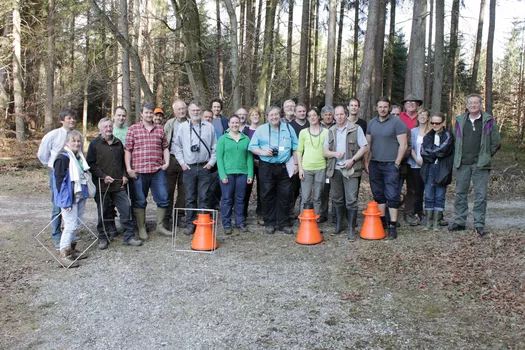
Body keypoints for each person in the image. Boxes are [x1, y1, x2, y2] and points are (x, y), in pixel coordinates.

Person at [449, 94, 501, 236]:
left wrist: (485, 156)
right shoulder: (460, 120)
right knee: (460, 193)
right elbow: (456, 140)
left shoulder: (488, 120)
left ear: (480, 104)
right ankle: (459, 222)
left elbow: (496, 142)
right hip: (462, 163)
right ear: (467, 105)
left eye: (476, 103)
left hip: (480, 165)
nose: (473, 105)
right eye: (471, 103)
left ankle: (479, 224)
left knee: (480, 195)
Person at [87, 118, 143, 249]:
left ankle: (129, 237)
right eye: (105, 127)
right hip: (102, 186)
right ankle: (103, 237)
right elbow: (90, 164)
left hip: (118, 185)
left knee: (126, 209)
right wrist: (103, 176)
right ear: (100, 129)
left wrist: (124, 175)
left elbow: (124, 162)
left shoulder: (118, 143)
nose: (108, 129)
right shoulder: (94, 144)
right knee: (103, 212)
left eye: (110, 126)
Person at [248, 106, 299, 234]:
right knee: (267, 194)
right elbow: (252, 146)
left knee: (285, 194)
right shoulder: (261, 129)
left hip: (284, 165)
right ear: (267, 117)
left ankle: (284, 223)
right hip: (266, 166)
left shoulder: (288, 128)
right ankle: (269, 222)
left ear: (280, 115)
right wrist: (263, 152)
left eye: (276, 114)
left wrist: (296, 164)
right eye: (271, 115)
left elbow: (295, 147)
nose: (274, 117)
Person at [125, 102, 171, 240]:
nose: (149, 115)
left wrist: (167, 162)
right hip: (139, 171)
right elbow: (128, 150)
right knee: (139, 200)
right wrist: (128, 168)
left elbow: (165, 148)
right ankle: (141, 228)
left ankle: (160, 226)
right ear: (142, 114)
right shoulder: (133, 129)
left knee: (163, 198)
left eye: (151, 112)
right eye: (147, 112)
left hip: (157, 171)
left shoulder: (160, 129)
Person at [364, 97, 408, 240]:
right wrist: (366, 162)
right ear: (376, 108)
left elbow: (403, 145)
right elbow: (368, 145)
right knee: (378, 195)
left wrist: (397, 163)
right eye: (380, 106)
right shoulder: (371, 123)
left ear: (389, 108)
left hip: (391, 165)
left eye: (385, 107)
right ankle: (382, 222)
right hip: (375, 164)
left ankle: (392, 225)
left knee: (392, 196)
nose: (382, 109)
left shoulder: (397, 123)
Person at [324, 106, 368, 241]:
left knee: (351, 200)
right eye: (336, 115)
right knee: (337, 198)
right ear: (334, 116)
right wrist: (335, 154)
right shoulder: (331, 131)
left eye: (341, 114)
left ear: (346, 115)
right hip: (335, 169)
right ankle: (339, 225)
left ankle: (351, 229)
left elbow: (365, 147)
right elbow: (325, 151)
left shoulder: (356, 129)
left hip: (351, 169)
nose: (339, 117)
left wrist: (353, 160)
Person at [174, 100, 217, 235]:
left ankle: (203, 223)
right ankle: (190, 224)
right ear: (189, 111)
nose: (195, 112)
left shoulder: (209, 127)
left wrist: (211, 163)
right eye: (193, 110)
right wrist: (182, 163)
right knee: (190, 197)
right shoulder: (182, 127)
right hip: (189, 168)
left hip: (204, 167)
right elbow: (177, 147)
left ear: (201, 111)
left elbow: (215, 147)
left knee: (204, 197)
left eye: (198, 110)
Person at [37, 108, 79, 249]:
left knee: (72, 204)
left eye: (73, 118)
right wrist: (52, 166)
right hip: (58, 174)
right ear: (62, 120)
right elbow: (42, 154)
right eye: (69, 118)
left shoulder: (77, 135)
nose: (72, 120)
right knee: (58, 205)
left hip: (73, 175)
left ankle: (70, 235)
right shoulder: (53, 135)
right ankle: (56, 235)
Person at [52, 130, 89, 267]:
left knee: (76, 224)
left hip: (79, 195)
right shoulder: (63, 158)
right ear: (67, 142)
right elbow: (59, 183)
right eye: (73, 141)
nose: (76, 143)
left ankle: (72, 250)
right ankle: (63, 255)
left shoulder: (78, 157)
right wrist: (65, 202)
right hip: (69, 198)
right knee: (70, 225)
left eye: (78, 141)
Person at [216, 115, 254, 234]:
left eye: (236, 123)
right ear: (228, 124)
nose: (234, 125)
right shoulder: (223, 139)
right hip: (228, 174)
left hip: (242, 174)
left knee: (240, 199)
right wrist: (222, 175)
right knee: (227, 199)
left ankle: (240, 222)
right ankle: (226, 224)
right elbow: (219, 158)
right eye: (232, 123)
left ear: (240, 124)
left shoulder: (246, 139)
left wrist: (250, 174)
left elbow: (249, 158)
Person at [420, 112, 455, 231]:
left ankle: (436, 222)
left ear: (443, 123)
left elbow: (444, 150)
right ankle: (428, 222)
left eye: (437, 123)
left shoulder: (448, 135)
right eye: (432, 123)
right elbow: (424, 152)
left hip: (443, 169)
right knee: (429, 195)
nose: (434, 125)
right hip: (429, 168)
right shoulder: (427, 136)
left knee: (439, 195)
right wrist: (435, 154)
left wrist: (433, 153)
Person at [297, 108, 328, 217]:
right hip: (306, 168)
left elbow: (329, 151)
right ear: (308, 118)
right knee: (305, 196)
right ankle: (303, 219)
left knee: (318, 197)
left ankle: (315, 219)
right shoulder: (303, 133)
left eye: (314, 115)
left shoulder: (326, 132)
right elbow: (299, 151)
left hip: (321, 167)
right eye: (310, 116)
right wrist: (300, 169)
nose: (312, 117)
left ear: (319, 116)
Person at [164, 99, 188, 230]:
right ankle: (166, 218)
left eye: (183, 108)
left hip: (186, 160)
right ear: (174, 111)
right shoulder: (169, 124)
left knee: (184, 190)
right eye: (179, 109)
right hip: (172, 159)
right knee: (169, 190)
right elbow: (163, 142)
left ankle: (179, 216)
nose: (182, 111)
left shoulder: (191, 123)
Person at [406, 108, 432, 226]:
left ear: (428, 117)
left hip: (429, 165)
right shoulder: (413, 131)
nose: (422, 117)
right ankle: (418, 212)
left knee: (430, 189)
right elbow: (410, 147)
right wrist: (416, 159)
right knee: (417, 190)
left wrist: (426, 161)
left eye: (424, 115)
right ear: (417, 117)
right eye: (420, 114)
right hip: (415, 164)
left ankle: (432, 214)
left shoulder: (431, 131)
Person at [243, 107, 263, 224]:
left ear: (260, 117)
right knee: (246, 188)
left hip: (262, 163)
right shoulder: (245, 131)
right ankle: (243, 213)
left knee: (262, 189)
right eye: (253, 115)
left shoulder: (264, 130)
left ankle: (261, 213)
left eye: (257, 115)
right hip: (248, 163)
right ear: (249, 117)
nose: (255, 117)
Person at [319, 105, 335, 223]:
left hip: (334, 161)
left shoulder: (337, 125)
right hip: (321, 162)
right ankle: (323, 213)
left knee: (336, 190)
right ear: (322, 116)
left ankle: (335, 215)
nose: (328, 117)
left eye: (330, 114)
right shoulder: (318, 127)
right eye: (326, 115)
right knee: (323, 190)